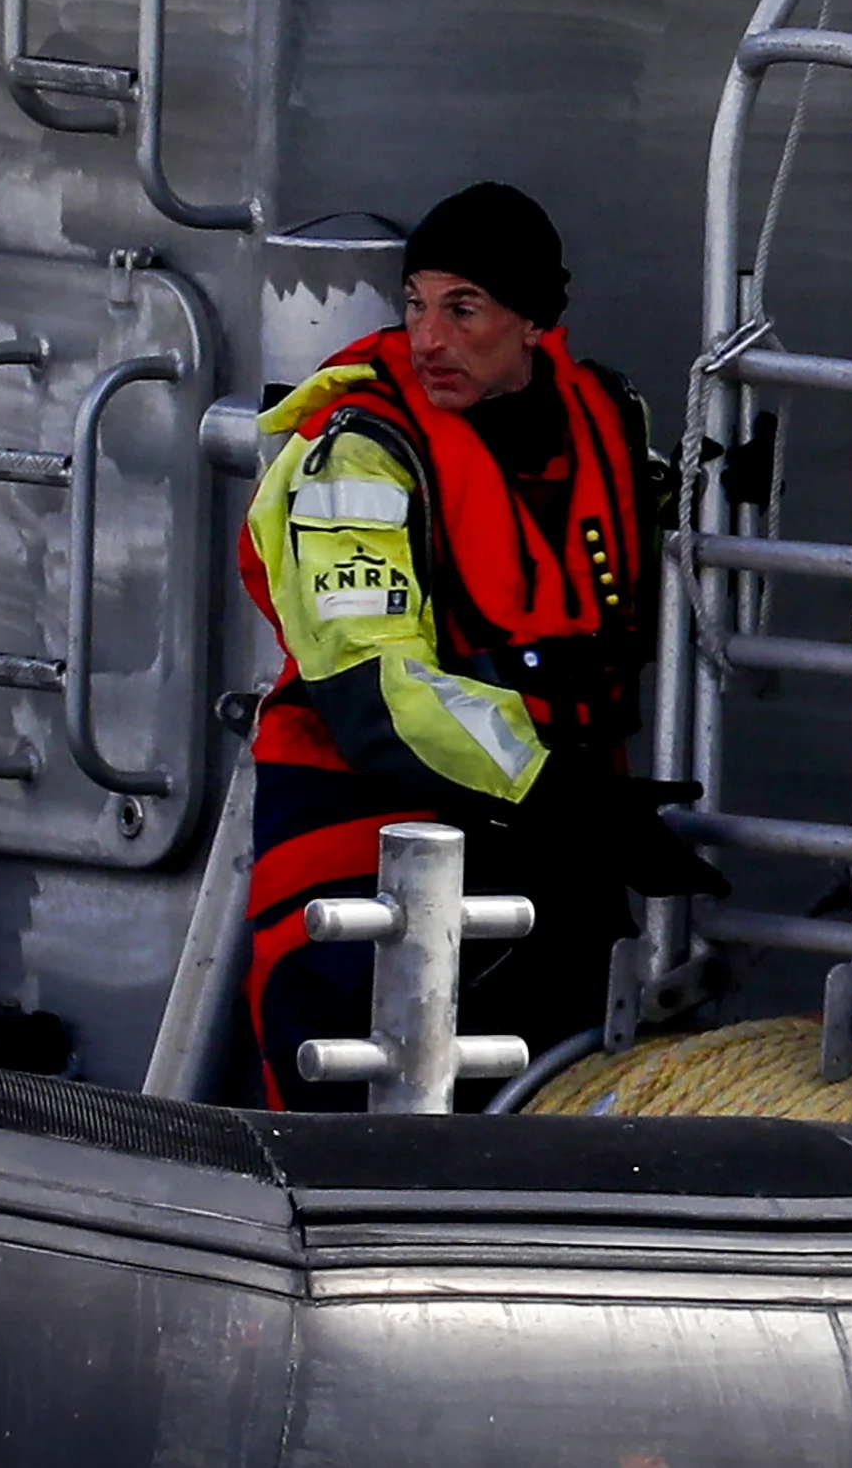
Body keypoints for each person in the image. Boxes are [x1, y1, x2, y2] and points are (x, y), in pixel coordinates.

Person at [237, 182, 719, 1108]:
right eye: (415, 304)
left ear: (534, 320)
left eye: (464, 309)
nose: (429, 338)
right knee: (363, 1139)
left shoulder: (608, 423)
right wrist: (562, 792)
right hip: (363, 855)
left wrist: (581, 807)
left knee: (563, 1110)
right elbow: (378, 689)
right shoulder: (359, 452)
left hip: (553, 855)